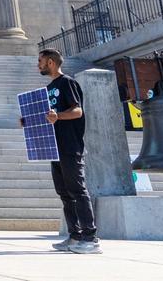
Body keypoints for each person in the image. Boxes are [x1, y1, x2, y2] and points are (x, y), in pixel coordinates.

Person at [32, 48, 100, 254]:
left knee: (77, 190)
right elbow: (48, 116)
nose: (38, 65)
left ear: (51, 62)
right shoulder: (49, 88)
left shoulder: (67, 82)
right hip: (54, 147)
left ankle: (90, 238)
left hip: (70, 146)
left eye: (40, 61)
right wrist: (28, 121)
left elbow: (77, 111)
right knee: (64, 193)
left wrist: (58, 116)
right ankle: (75, 236)